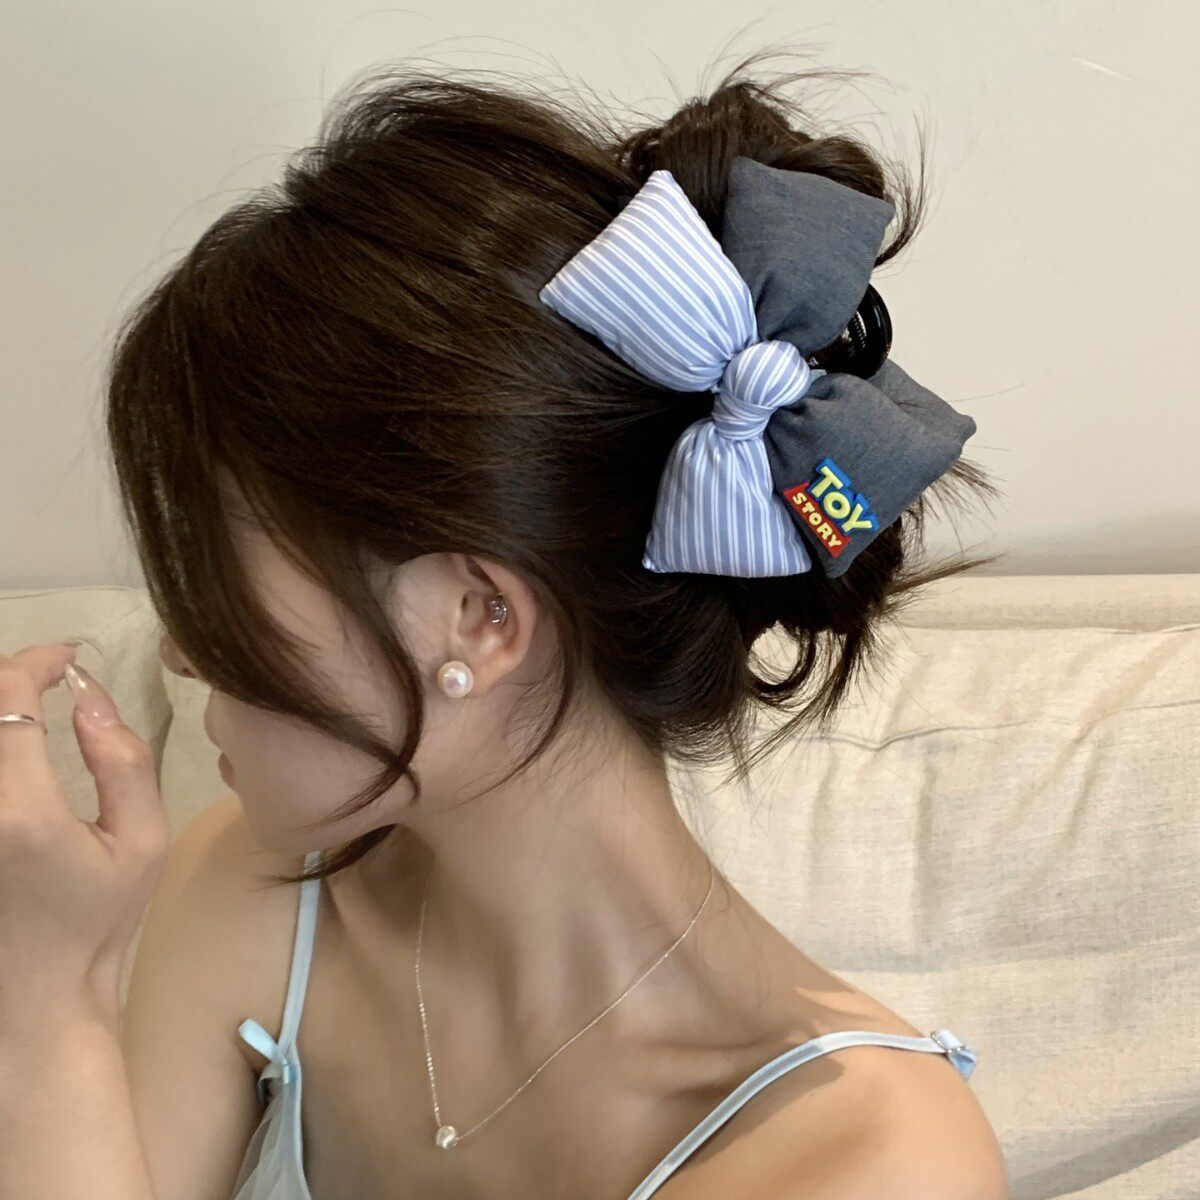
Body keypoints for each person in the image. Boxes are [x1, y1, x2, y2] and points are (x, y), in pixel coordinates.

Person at [0, 46, 1009, 1200]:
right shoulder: (253, 890)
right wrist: (45, 1000)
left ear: (475, 619)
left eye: (219, 573)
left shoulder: (871, 1162)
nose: (183, 649)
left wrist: (49, 1007)